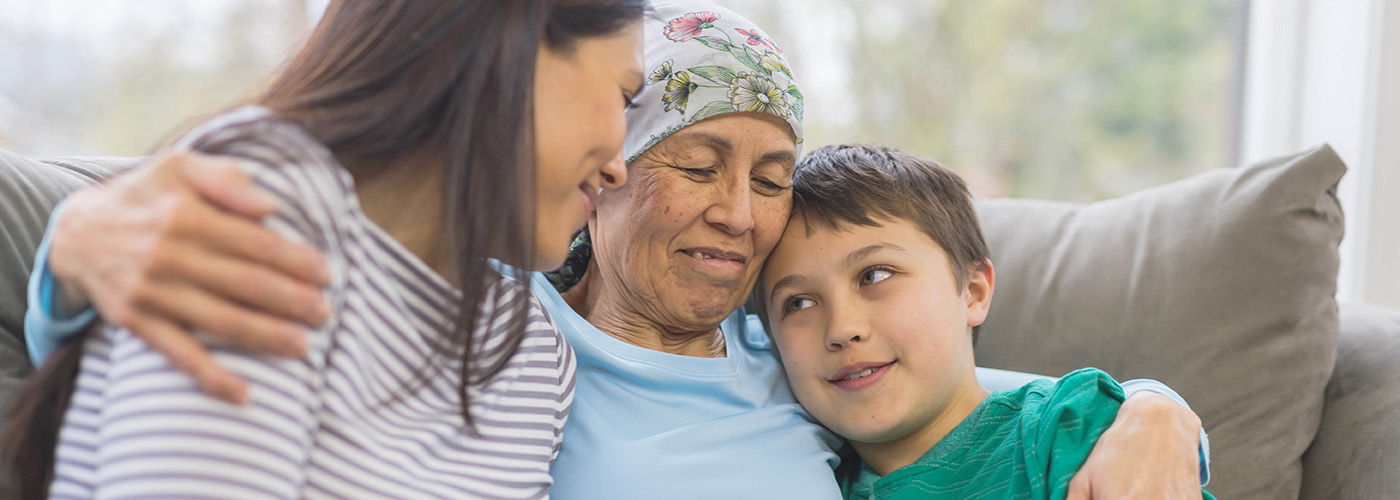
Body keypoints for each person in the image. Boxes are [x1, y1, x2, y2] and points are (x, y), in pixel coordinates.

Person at [22, 2, 1210, 498]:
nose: (740, 214)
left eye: (769, 180)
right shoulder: (516, 324)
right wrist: (78, 237)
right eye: (693, 164)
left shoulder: (780, 340)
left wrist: (1148, 406)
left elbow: (942, 387)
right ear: (607, 179)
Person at [5, 1, 646, 498]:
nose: (620, 167)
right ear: (513, 47)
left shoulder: (533, 354)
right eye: (622, 95)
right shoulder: (262, 214)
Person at [758, 144, 1216, 499]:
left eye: (875, 275)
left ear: (973, 292)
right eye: (798, 303)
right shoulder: (801, 476)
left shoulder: (1066, 429)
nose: (841, 328)